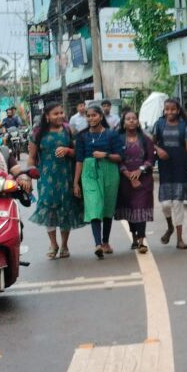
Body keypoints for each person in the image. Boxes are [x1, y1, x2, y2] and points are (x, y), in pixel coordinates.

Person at [28, 102, 85, 259]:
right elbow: (31, 158)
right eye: (55, 113)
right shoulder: (38, 133)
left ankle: (65, 245)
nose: (60, 116)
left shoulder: (69, 130)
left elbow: (79, 154)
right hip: (46, 178)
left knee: (65, 209)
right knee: (49, 208)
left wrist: (68, 150)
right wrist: (27, 177)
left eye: (61, 113)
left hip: (66, 175)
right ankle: (53, 245)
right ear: (47, 116)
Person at [73, 105, 123, 259]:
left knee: (107, 207)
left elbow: (120, 157)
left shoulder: (111, 134)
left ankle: (106, 241)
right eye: (88, 116)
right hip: (89, 173)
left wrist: (105, 155)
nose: (91, 118)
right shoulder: (82, 136)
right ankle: (98, 244)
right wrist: (76, 182)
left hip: (109, 171)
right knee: (94, 206)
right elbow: (79, 160)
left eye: (94, 115)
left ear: (101, 117)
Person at [153, 98, 187, 249]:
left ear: (178, 110)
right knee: (165, 204)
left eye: (173, 109)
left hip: (180, 168)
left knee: (177, 203)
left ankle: (179, 239)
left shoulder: (184, 126)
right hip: (165, 168)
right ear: (164, 110)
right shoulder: (159, 124)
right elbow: (151, 143)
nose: (170, 112)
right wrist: (158, 150)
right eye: (167, 109)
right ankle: (170, 227)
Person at [116, 110, 155, 253]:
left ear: (138, 121)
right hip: (125, 181)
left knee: (141, 209)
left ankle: (141, 240)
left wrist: (140, 170)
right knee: (130, 210)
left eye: (134, 118)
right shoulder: (118, 139)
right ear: (124, 123)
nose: (131, 121)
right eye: (128, 119)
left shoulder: (146, 139)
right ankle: (133, 236)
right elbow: (116, 160)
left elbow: (151, 159)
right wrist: (128, 174)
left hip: (143, 181)